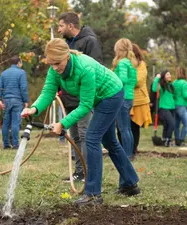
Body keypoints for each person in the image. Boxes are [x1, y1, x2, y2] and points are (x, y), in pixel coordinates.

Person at [21, 38, 140, 205]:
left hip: (112, 94)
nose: (55, 68)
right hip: (101, 98)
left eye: (57, 63)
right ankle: (130, 183)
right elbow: (48, 91)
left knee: (91, 138)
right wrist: (33, 109)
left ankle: (93, 194)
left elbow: (85, 106)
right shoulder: (55, 70)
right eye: (51, 64)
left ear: (67, 56)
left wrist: (62, 124)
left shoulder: (84, 68)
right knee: (109, 141)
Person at [58, 12, 103, 181]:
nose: (59, 29)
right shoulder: (66, 43)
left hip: (83, 99)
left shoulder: (90, 41)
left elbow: (95, 69)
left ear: (70, 26)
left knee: (85, 135)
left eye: (61, 25)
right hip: (68, 98)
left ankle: (89, 173)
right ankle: (79, 172)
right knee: (75, 137)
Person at [112, 38, 137, 158]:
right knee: (127, 128)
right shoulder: (130, 63)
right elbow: (133, 81)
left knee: (123, 129)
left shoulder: (122, 63)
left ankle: (127, 155)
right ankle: (130, 153)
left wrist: (112, 80)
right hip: (129, 97)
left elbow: (123, 79)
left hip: (122, 97)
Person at [0, 55, 29, 149]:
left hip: (6, 101)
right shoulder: (21, 73)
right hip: (17, 100)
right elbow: (23, 88)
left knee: (6, 123)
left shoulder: (4, 73)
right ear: (18, 63)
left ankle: (6, 144)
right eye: (21, 62)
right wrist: (26, 101)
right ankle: (15, 144)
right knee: (15, 122)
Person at [130, 44, 152, 156]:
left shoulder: (141, 64)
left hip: (139, 101)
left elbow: (138, 81)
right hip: (126, 99)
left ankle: (133, 150)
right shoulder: (122, 64)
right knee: (123, 127)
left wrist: (126, 77)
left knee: (134, 126)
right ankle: (126, 150)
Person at [152, 70, 175, 147]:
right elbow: (154, 89)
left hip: (172, 108)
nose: (169, 75)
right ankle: (168, 140)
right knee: (172, 124)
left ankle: (164, 139)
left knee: (167, 125)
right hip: (164, 108)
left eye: (170, 74)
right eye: (167, 74)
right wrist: (156, 78)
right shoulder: (161, 85)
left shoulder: (170, 85)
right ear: (164, 76)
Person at [173, 67, 187, 146]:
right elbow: (185, 95)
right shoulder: (184, 83)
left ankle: (177, 141)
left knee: (176, 125)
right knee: (186, 124)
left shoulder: (174, 82)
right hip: (182, 106)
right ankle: (181, 140)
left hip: (175, 105)